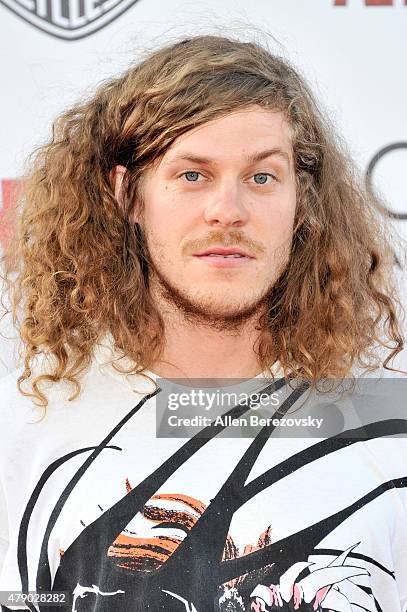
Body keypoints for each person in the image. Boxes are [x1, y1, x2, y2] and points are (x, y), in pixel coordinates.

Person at [0, 34, 406, 612]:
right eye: (192, 175)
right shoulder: (25, 426)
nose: (228, 210)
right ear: (127, 193)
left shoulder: (389, 429)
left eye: (262, 177)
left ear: (302, 201)